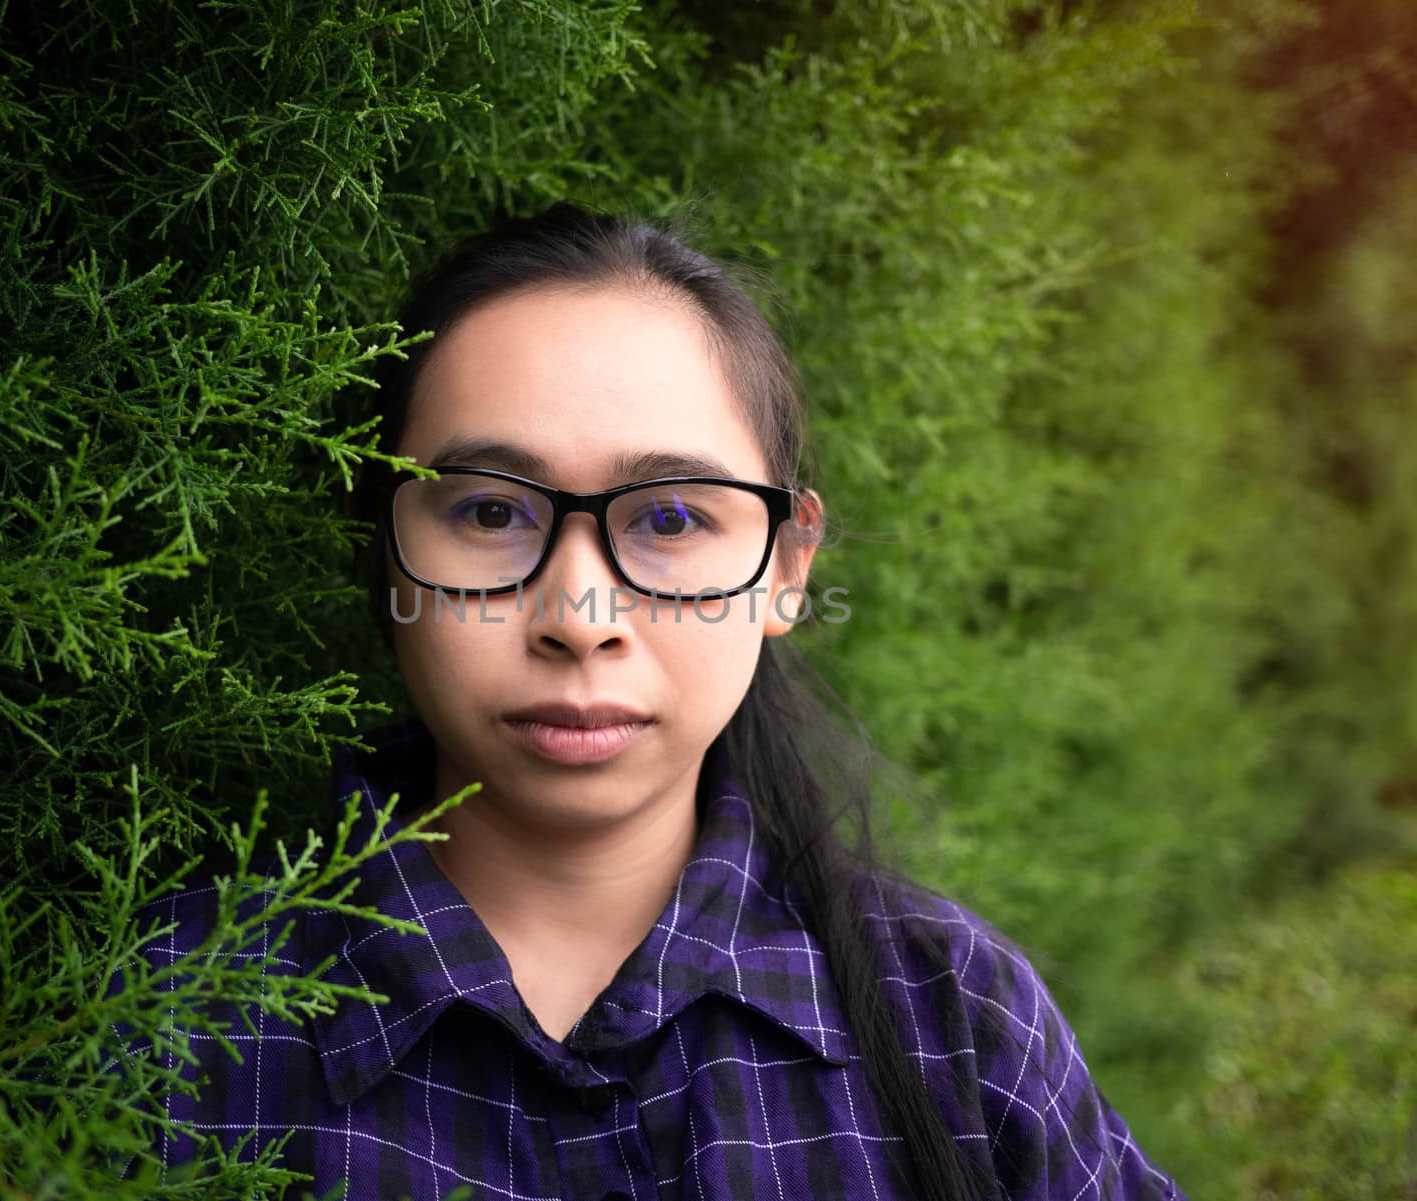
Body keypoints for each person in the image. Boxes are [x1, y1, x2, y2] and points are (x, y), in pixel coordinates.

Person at [133, 202, 1187, 1200]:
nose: (580, 615)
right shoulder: (165, 1024)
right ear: (384, 549)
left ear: (785, 565)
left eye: (673, 519)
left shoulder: (957, 1018)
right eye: (492, 509)